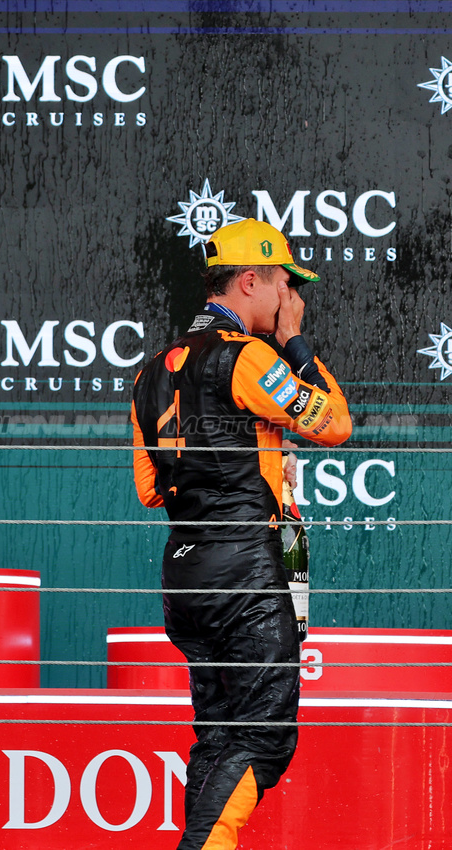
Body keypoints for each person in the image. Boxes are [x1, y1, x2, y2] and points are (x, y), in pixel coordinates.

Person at [130, 218, 352, 849]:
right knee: (263, 736)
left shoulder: (152, 371)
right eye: (285, 282)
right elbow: (334, 422)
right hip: (244, 573)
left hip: (187, 575)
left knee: (222, 736)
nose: (290, 297)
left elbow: (150, 490)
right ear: (250, 280)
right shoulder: (247, 356)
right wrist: (297, 344)